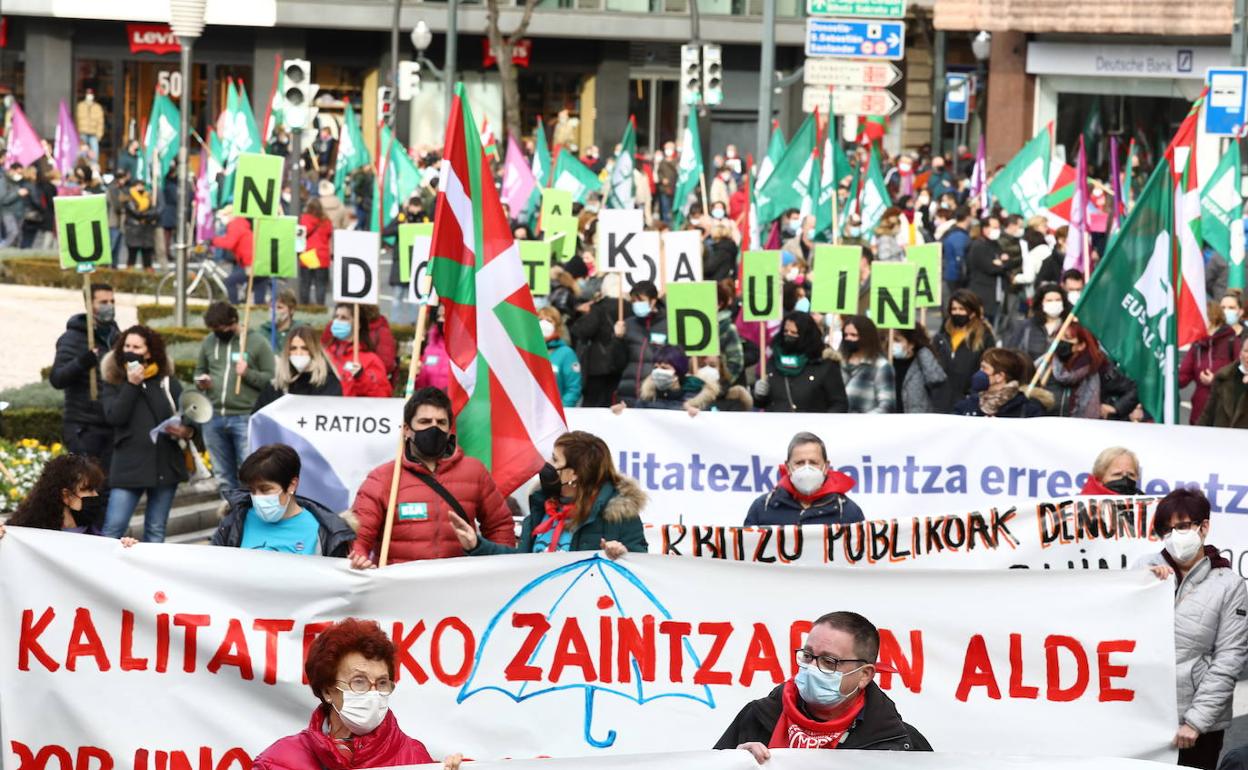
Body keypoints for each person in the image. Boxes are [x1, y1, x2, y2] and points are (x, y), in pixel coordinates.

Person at [716, 610, 931, 760]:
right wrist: (733, 763)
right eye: (808, 655)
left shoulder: (900, 743)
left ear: (864, 675)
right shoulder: (757, 717)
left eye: (829, 662)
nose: (812, 668)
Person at [251, 618, 461, 770]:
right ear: (327, 691)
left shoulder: (414, 757)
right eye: (359, 682)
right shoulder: (278, 762)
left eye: (381, 683)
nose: (372, 693)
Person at [1138, 489, 1248, 770]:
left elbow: (1229, 658)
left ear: (1204, 527)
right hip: (1141, 716)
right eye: (1167, 529)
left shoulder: (1229, 585)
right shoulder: (1142, 570)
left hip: (1196, 728)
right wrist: (1145, 585)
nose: (1175, 535)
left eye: (1183, 526)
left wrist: (1196, 722)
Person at [348, 388, 515, 567]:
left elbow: (500, 526)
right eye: (425, 421)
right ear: (406, 429)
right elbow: (358, 536)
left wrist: (499, 568)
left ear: (449, 429)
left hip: (459, 587)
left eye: (441, 422)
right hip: (399, 589)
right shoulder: (382, 478)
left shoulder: (475, 472)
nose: (433, 428)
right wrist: (359, 560)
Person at [449, 430, 646, 556]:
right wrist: (476, 545)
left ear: (574, 474)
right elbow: (519, 565)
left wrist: (622, 555)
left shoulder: (620, 515)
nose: (547, 465)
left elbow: (642, 567)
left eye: (555, 460)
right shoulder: (542, 508)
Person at [99, 326, 194, 542]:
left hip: (164, 464)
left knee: (156, 531)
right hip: (129, 466)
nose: (130, 350)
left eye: (137, 347)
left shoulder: (165, 380)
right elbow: (114, 416)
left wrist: (185, 430)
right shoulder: (114, 379)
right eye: (127, 346)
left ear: (149, 352)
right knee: (113, 529)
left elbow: (187, 413)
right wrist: (132, 385)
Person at [49, 283, 121, 520]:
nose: (109, 307)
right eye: (103, 302)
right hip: (83, 427)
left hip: (109, 425)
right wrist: (84, 360)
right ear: (89, 305)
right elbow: (57, 378)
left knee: (106, 490)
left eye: (111, 302)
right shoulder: (72, 338)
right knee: (86, 491)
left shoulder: (116, 337)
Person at [211, 443, 354, 556]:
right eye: (252, 490)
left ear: (292, 484)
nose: (257, 497)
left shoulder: (325, 531)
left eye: (265, 489)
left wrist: (357, 569)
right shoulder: (235, 521)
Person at [195, 301, 277, 495]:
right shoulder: (209, 342)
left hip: (244, 416)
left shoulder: (257, 342)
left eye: (220, 328)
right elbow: (199, 370)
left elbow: (271, 379)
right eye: (213, 329)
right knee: (223, 475)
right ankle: (229, 517)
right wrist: (201, 381)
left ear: (233, 322)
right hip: (213, 415)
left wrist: (247, 373)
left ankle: (247, 515)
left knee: (249, 472)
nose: (217, 332)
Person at [0, 454, 135, 542]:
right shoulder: (24, 535)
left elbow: (105, 554)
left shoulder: (88, 527)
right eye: (87, 490)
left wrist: (123, 546)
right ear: (66, 495)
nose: (95, 495)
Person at [744, 432, 863, 526]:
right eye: (800, 463)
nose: (807, 468)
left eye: (813, 462)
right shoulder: (762, 507)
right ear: (788, 467)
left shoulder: (848, 511)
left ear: (826, 467)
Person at [1180, 303, 1245, 426]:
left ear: (1212, 318)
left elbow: (1240, 374)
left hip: (1224, 414)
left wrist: (1215, 380)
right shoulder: (1198, 345)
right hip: (1199, 413)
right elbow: (1182, 377)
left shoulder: (1232, 342)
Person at [253, 325, 344, 413]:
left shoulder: (328, 382)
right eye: (293, 348)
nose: (298, 353)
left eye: (304, 348)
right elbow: (259, 416)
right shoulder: (277, 384)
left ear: (314, 351)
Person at [931, 289, 995, 410]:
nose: (957, 313)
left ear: (972, 312)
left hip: (968, 400)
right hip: (941, 401)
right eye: (954, 309)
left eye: (961, 309)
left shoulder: (984, 338)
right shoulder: (941, 336)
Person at [611, 280, 669, 404]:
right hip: (628, 393)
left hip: (656, 394)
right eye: (633, 301)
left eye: (640, 300)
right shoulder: (627, 324)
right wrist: (618, 339)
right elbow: (617, 363)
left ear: (653, 301)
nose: (636, 304)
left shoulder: (668, 325)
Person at [952, 348, 1048, 418]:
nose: (979, 373)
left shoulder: (1028, 411)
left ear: (1000, 377)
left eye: (984, 368)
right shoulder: (966, 406)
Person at [322, 304, 393, 398]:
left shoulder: (371, 360)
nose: (338, 321)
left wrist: (362, 377)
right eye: (336, 317)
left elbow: (382, 395)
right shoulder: (325, 354)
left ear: (358, 324)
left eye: (344, 318)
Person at [839, 315, 895, 414]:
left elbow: (887, 405)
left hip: (865, 426)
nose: (848, 338)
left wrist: (862, 422)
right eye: (845, 335)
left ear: (866, 337)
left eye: (853, 335)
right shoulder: (839, 362)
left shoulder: (881, 366)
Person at [1049, 322, 1104, 419]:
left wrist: (1115, 407)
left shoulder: (1098, 368)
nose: (1060, 341)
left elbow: (1129, 389)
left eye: (1067, 338)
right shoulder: (1046, 365)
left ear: (1081, 345)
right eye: (1058, 336)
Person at [891, 324, 949, 413]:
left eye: (897, 340)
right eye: (891, 340)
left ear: (911, 344)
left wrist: (924, 352)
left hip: (917, 419)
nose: (893, 345)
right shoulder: (888, 362)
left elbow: (937, 378)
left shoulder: (921, 361)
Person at [1006, 282, 1067, 364]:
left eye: (1058, 300)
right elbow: (1012, 353)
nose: (1054, 303)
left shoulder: (1069, 326)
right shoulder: (1026, 326)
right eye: (1049, 300)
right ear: (1041, 303)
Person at [214, 209, 263, 305]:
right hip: (257, 260)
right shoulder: (240, 223)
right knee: (259, 293)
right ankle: (261, 311)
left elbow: (229, 243)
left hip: (252, 263)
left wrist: (213, 241)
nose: (223, 218)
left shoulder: (236, 225)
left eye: (225, 214)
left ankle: (235, 306)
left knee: (230, 282)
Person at [1198, 340, 1248, 429]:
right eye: (1246, 351)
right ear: (1240, 353)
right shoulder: (1223, 377)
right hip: (1222, 439)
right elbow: (1208, 414)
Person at [539, 306, 583, 407]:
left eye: (549, 321)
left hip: (556, 415)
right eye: (540, 320)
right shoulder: (528, 352)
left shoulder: (566, 354)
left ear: (557, 326)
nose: (543, 323)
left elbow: (573, 388)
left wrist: (561, 410)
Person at [298, 198, 333, 305]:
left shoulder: (304, 219)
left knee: (305, 283)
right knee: (321, 284)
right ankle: (320, 306)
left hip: (308, 254)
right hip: (322, 256)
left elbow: (300, 235)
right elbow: (329, 236)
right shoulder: (326, 221)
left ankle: (305, 306)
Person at [123, 179, 158, 270]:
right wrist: (147, 214)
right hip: (134, 230)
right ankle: (130, 275)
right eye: (138, 185)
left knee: (147, 257)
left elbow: (154, 211)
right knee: (132, 256)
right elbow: (135, 212)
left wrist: (148, 215)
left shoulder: (148, 196)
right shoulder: (129, 198)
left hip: (146, 231)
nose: (141, 187)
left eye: (142, 185)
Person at [940, 206, 971, 297]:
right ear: (967, 217)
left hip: (949, 273)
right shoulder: (959, 236)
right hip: (956, 276)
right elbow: (960, 259)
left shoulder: (949, 232)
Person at [260, 288, 300, 355]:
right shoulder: (263, 331)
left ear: (292, 310)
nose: (274, 311)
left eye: (279, 307)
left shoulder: (300, 330)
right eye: (272, 307)